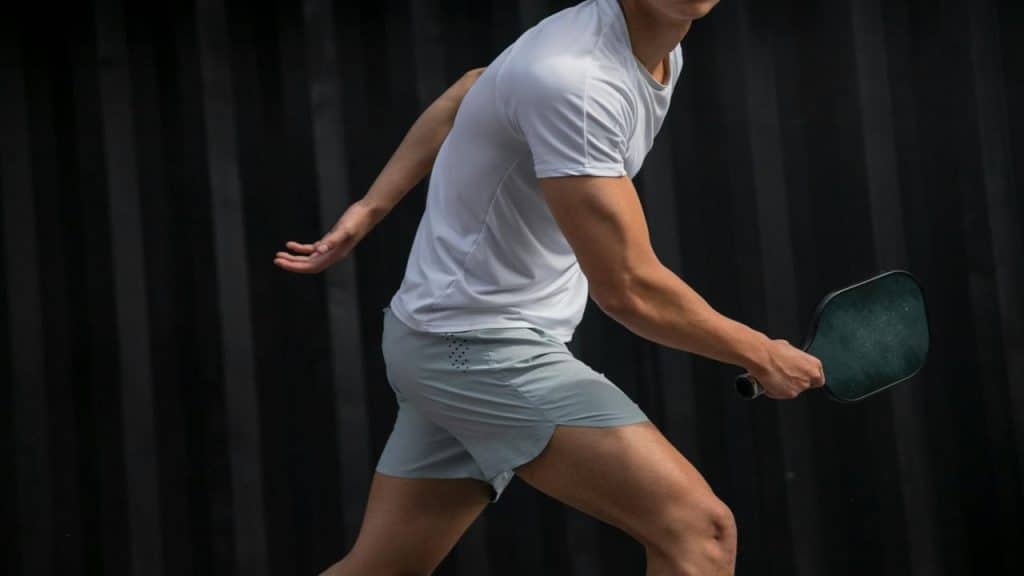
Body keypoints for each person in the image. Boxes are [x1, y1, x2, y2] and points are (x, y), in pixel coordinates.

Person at [275, 0, 825, 574]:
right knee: (699, 532)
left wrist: (370, 206)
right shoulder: (576, 79)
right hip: (476, 349)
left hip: (439, 338)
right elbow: (628, 287)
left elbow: (474, 88)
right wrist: (761, 353)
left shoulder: (646, 45)